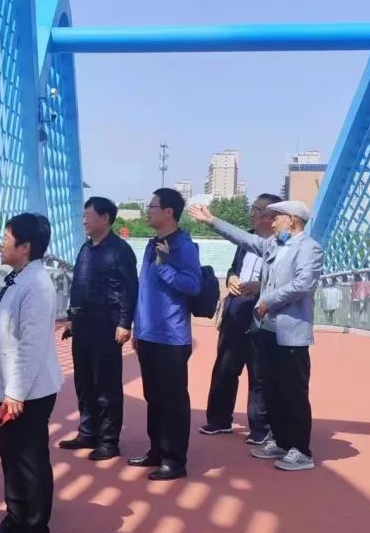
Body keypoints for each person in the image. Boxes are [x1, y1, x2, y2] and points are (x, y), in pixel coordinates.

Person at [188, 200, 324, 472]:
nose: (272, 223)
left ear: (291, 220)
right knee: (272, 389)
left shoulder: (309, 248)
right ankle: (281, 441)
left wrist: (267, 300)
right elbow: (244, 239)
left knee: (293, 393)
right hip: (267, 330)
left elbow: (303, 284)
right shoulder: (274, 245)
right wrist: (212, 221)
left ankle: (301, 450)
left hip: (291, 333)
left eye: (276, 217)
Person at [0, 214, 63, 533]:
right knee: (12, 456)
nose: (1, 242)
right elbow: (14, 327)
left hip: (28, 391)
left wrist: (15, 393)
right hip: (12, 388)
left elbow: (31, 345)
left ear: (25, 246)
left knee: (30, 461)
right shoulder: (19, 278)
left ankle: (35, 531)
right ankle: (17, 515)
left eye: (6, 237)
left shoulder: (38, 285)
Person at [127, 188, 202, 481]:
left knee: (173, 400)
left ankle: (174, 460)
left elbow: (193, 285)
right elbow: (144, 289)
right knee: (154, 398)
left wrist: (165, 267)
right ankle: (156, 450)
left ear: (169, 212)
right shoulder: (152, 244)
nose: (148, 211)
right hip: (148, 335)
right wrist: (137, 326)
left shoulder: (184, 246)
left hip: (171, 336)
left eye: (152, 206)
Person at [59, 197, 138, 460]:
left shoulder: (120, 250)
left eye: (88, 215)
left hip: (107, 326)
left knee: (106, 385)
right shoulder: (85, 248)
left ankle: (108, 440)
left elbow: (129, 289)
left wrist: (125, 323)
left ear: (105, 218)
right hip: (82, 326)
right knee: (83, 382)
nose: (84, 220)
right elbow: (77, 286)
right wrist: (72, 317)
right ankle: (87, 432)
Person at [199, 193, 280, 444]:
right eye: (253, 209)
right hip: (236, 309)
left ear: (272, 216)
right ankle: (219, 420)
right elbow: (235, 267)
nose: (252, 214)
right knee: (225, 367)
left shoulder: (282, 245)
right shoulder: (246, 239)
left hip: (260, 312)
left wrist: (261, 287)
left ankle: (260, 427)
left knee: (259, 372)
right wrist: (232, 277)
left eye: (258, 210)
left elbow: (287, 282)